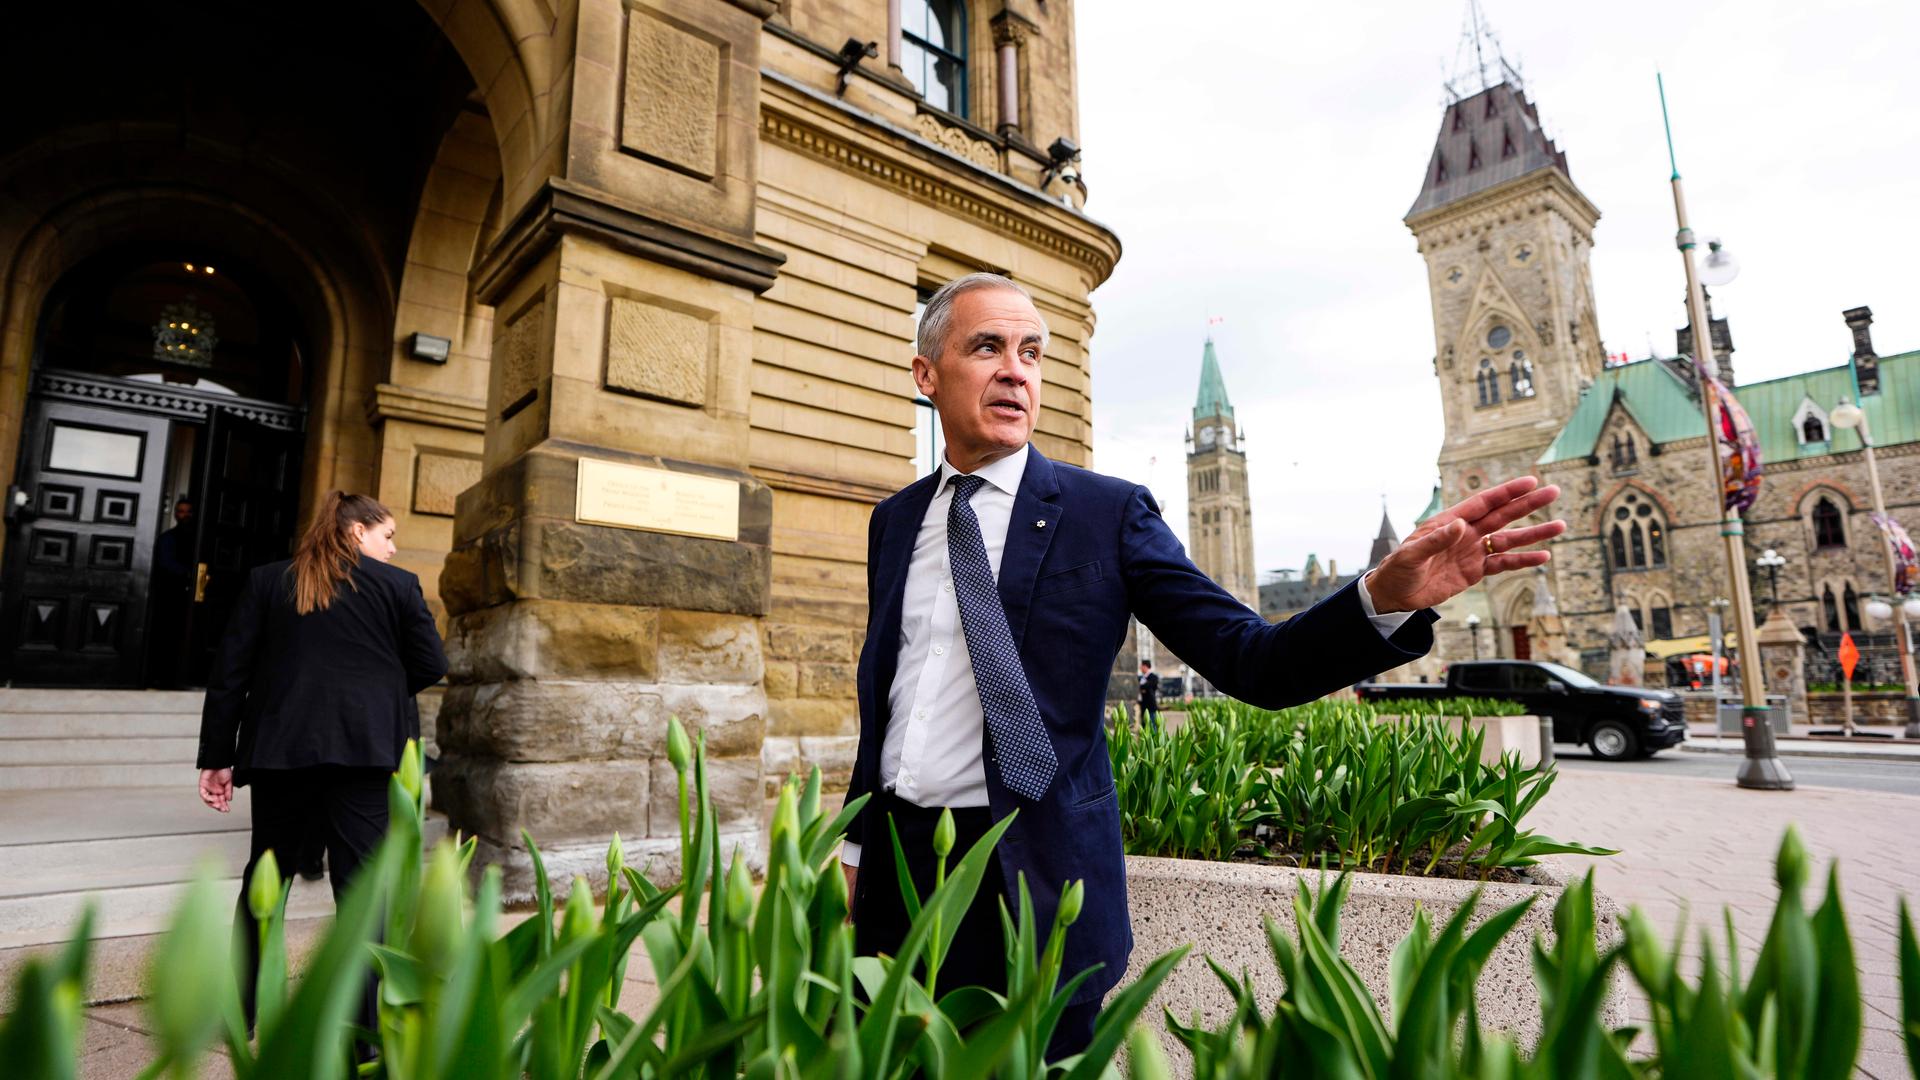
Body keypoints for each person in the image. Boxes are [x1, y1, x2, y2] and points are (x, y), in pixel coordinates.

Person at [841, 273, 1564, 1057]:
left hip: (1034, 884)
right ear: (926, 374)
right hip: (898, 882)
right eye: (987, 347)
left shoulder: (1107, 513)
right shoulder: (895, 522)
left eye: (1033, 353)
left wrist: (1380, 600)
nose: (1017, 370)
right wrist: (852, 853)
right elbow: (893, 701)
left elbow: (1255, 662)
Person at [195, 491, 448, 1039]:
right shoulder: (398, 586)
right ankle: (360, 1030)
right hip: (364, 756)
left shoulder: (268, 580)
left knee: (266, 880)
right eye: (388, 535)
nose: (394, 546)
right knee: (362, 893)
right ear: (357, 532)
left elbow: (230, 675)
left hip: (281, 753)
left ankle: (240, 1012)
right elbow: (432, 663)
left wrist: (218, 758)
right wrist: (373, 695)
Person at [149, 496, 195, 687]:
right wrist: (188, 573)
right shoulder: (167, 539)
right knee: (166, 636)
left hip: (190, 598)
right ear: (175, 514)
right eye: (180, 511)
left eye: (187, 511)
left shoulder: (198, 538)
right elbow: (165, 564)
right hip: (169, 596)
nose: (184, 515)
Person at [1137, 658, 1160, 728]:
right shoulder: (1140, 678)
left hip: (1151, 705)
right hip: (1143, 706)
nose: (1140, 668)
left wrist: (1143, 688)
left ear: (1145, 666)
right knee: (1144, 726)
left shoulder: (1153, 677)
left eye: (1141, 666)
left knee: (1153, 726)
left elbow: (1149, 687)